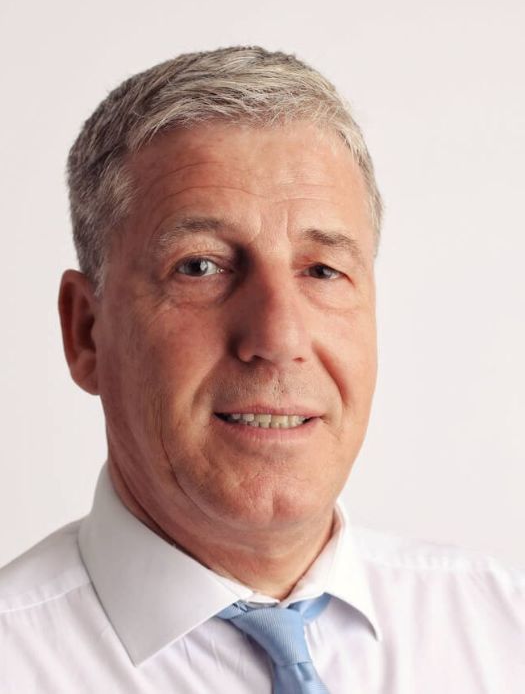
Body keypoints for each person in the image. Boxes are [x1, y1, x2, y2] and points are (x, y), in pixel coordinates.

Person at [0, 46, 523, 693]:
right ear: (86, 332)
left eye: (322, 270)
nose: (278, 338)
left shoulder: (505, 634)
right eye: (200, 267)